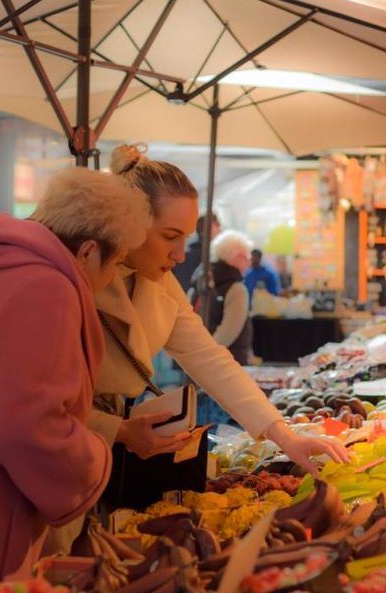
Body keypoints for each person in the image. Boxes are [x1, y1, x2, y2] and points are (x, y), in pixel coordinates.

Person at [44, 144, 348, 553]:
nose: (180, 253)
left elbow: (211, 359)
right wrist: (116, 429)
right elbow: (38, 400)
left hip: (109, 460)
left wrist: (284, 435)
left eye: (186, 238)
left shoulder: (160, 284)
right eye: (169, 236)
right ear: (130, 223)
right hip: (54, 453)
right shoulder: (74, 277)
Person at [0, 168, 151, 593]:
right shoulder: (45, 288)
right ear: (89, 251)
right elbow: (32, 424)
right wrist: (94, 461)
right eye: (116, 263)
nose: (111, 278)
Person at [207, 230, 254, 364]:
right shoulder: (236, 289)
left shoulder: (203, 279)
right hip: (227, 361)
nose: (248, 264)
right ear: (236, 257)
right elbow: (227, 333)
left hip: (201, 360)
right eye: (247, 258)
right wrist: (207, 356)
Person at [173, 212, 220, 295]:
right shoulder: (205, 253)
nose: (219, 228)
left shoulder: (190, 249)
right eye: (216, 225)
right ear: (207, 228)